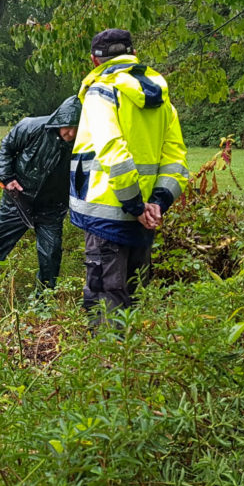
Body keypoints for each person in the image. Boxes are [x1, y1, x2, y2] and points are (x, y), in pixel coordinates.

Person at [69, 28, 188, 329]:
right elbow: (176, 158)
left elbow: (113, 152)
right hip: (145, 216)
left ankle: (109, 368)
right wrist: (157, 203)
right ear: (133, 56)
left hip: (107, 215)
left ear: (94, 61)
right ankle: (133, 367)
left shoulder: (101, 91)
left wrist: (135, 206)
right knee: (134, 300)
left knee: (105, 304)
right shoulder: (160, 97)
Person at [0, 95, 82, 294]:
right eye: (67, 127)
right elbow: (6, 147)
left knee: (51, 253)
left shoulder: (84, 143)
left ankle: (45, 297)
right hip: (18, 198)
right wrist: (7, 178)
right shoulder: (31, 127)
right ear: (59, 120)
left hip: (52, 206)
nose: (71, 133)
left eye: (76, 128)